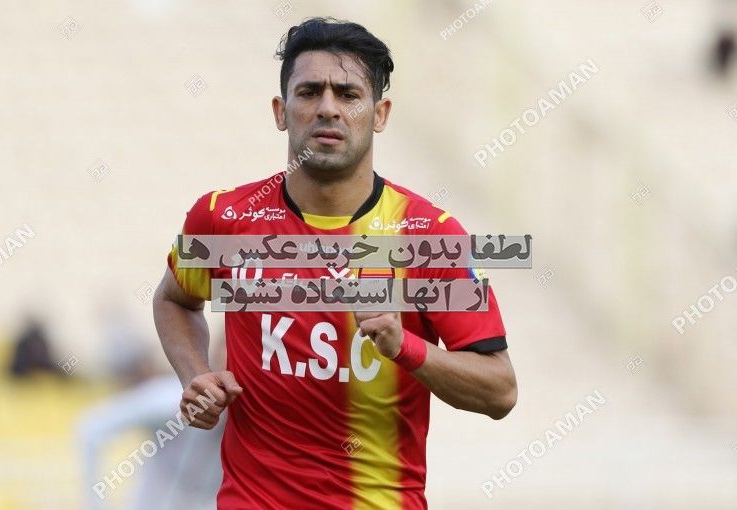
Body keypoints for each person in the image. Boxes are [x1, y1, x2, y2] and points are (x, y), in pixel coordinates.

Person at [153, 17, 517, 509]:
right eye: (309, 92)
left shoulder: (429, 237)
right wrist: (195, 373)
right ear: (281, 111)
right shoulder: (224, 218)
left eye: (348, 94)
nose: (328, 108)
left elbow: (499, 391)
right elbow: (174, 300)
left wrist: (404, 347)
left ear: (380, 114)